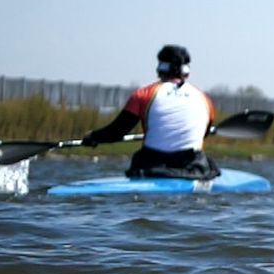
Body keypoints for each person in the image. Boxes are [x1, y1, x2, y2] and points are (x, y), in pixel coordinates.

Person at [81, 44, 222, 179]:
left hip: (151, 167)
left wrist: (94, 137)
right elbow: (202, 135)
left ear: (160, 68)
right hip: (192, 169)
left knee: (140, 158)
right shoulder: (205, 100)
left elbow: (116, 132)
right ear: (186, 71)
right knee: (208, 162)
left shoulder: (144, 95)